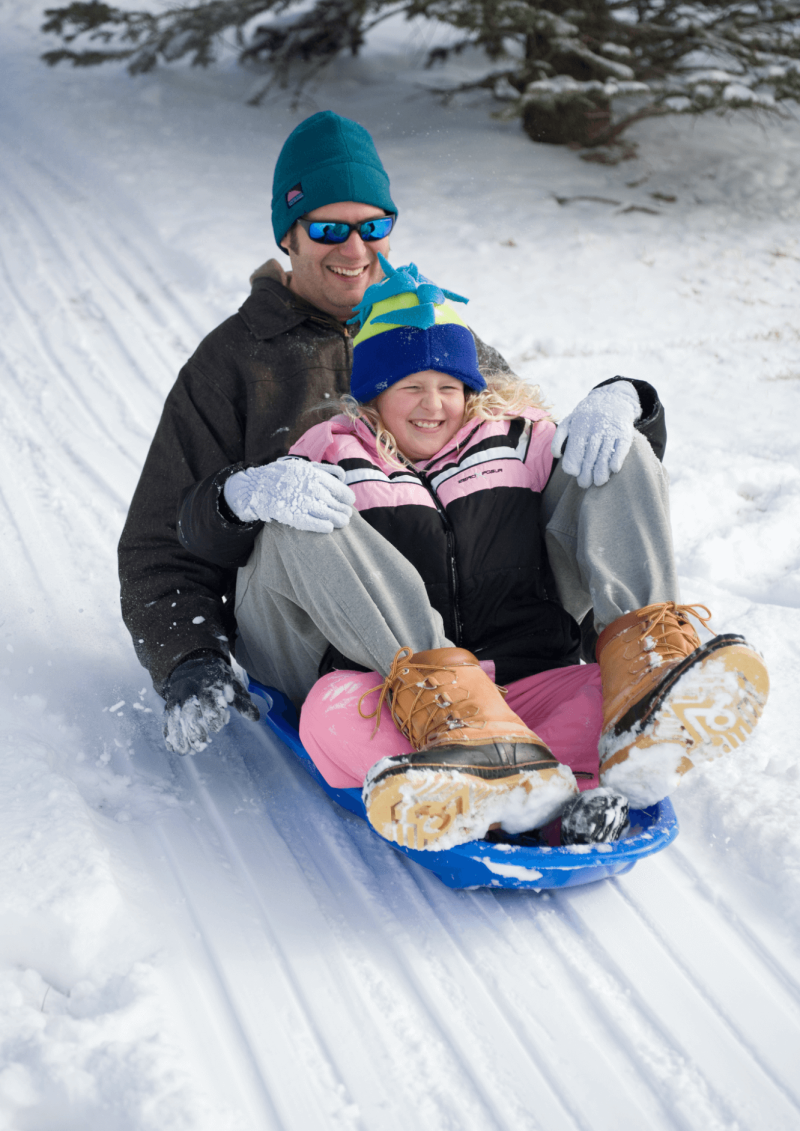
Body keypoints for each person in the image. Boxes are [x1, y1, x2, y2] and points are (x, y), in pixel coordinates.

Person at [176, 258, 769, 852]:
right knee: (329, 713)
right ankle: (517, 781)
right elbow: (204, 535)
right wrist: (239, 493)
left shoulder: (515, 440)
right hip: (398, 694)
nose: (432, 405)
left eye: (449, 387)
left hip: (528, 682)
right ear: (375, 395)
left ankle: (642, 682)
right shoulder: (332, 456)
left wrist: (626, 402)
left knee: (612, 459)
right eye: (410, 386)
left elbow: (613, 494)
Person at [119, 109, 667, 750]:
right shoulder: (236, 362)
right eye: (327, 227)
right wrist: (189, 656)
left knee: (604, 450)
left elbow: (536, 460)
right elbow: (159, 547)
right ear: (287, 237)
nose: (354, 250)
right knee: (307, 512)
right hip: (332, 643)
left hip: (494, 625)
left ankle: (650, 667)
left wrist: (624, 415)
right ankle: (442, 697)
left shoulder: (434, 328)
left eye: (372, 227)